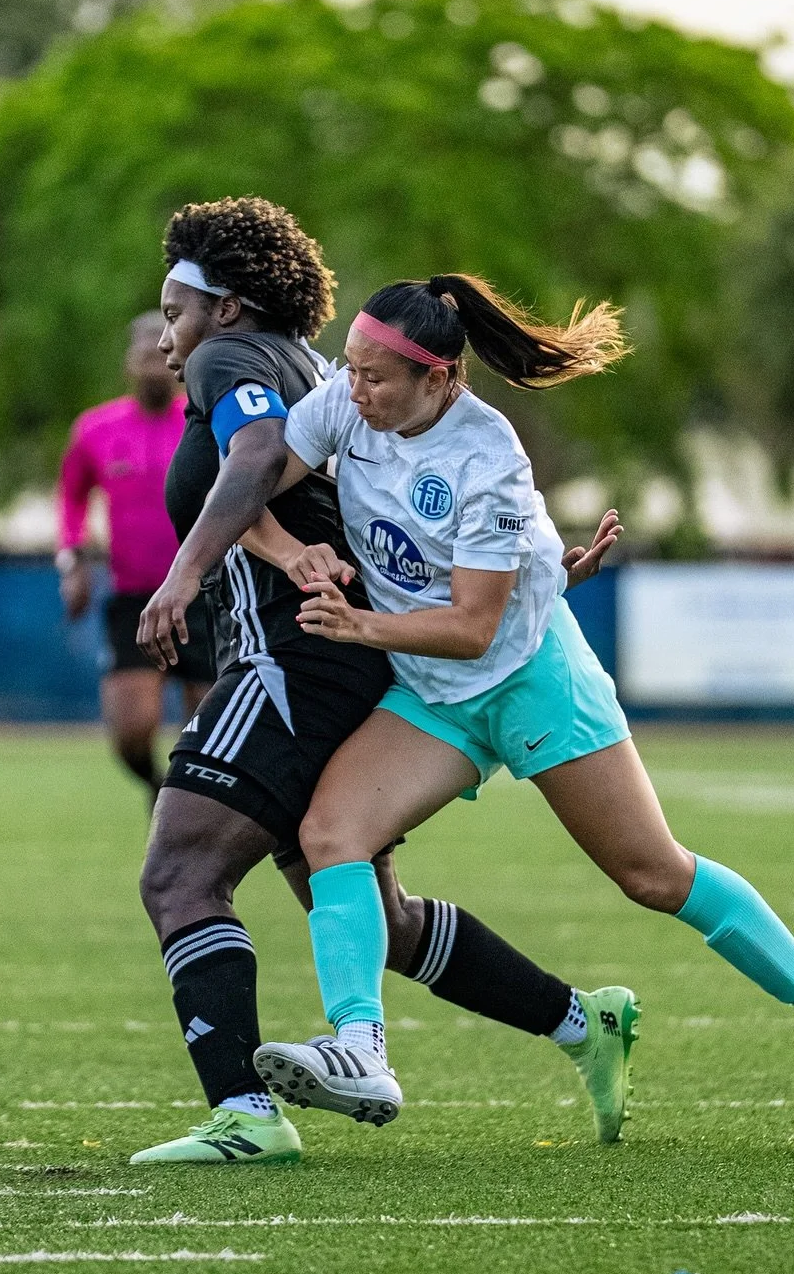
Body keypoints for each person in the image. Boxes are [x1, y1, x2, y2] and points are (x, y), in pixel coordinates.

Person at [164, 274, 794, 1142]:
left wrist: (358, 624)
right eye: (349, 370)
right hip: (431, 694)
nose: (351, 391)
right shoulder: (344, 405)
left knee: (652, 874)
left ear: (440, 379)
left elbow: (475, 630)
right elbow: (246, 493)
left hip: (527, 681)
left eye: (375, 378)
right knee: (331, 835)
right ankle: (360, 1046)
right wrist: (290, 553)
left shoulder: (488, 458)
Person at [128, 196, 638, 1164]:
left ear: (228, 308)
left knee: (182, 871)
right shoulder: (319, 371)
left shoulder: (227, 360)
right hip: (348, 655)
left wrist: (185, 575)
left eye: (176, 308)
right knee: (363, 906)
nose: (167, 334)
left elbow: (251, 458)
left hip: (296, 657)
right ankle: (582, 1023)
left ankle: (243, 1114)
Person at [56, 314, 215, 802]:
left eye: (162, 354)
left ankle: (187, 812)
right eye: (144, 355)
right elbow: (70, 498)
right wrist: (74, 561)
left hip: (205, 592)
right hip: (134, 598)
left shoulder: (206, 420)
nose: (155, 365)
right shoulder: (96, 429)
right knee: (132, 728)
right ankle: (155, 786)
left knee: (207, 730)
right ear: (129, 363)